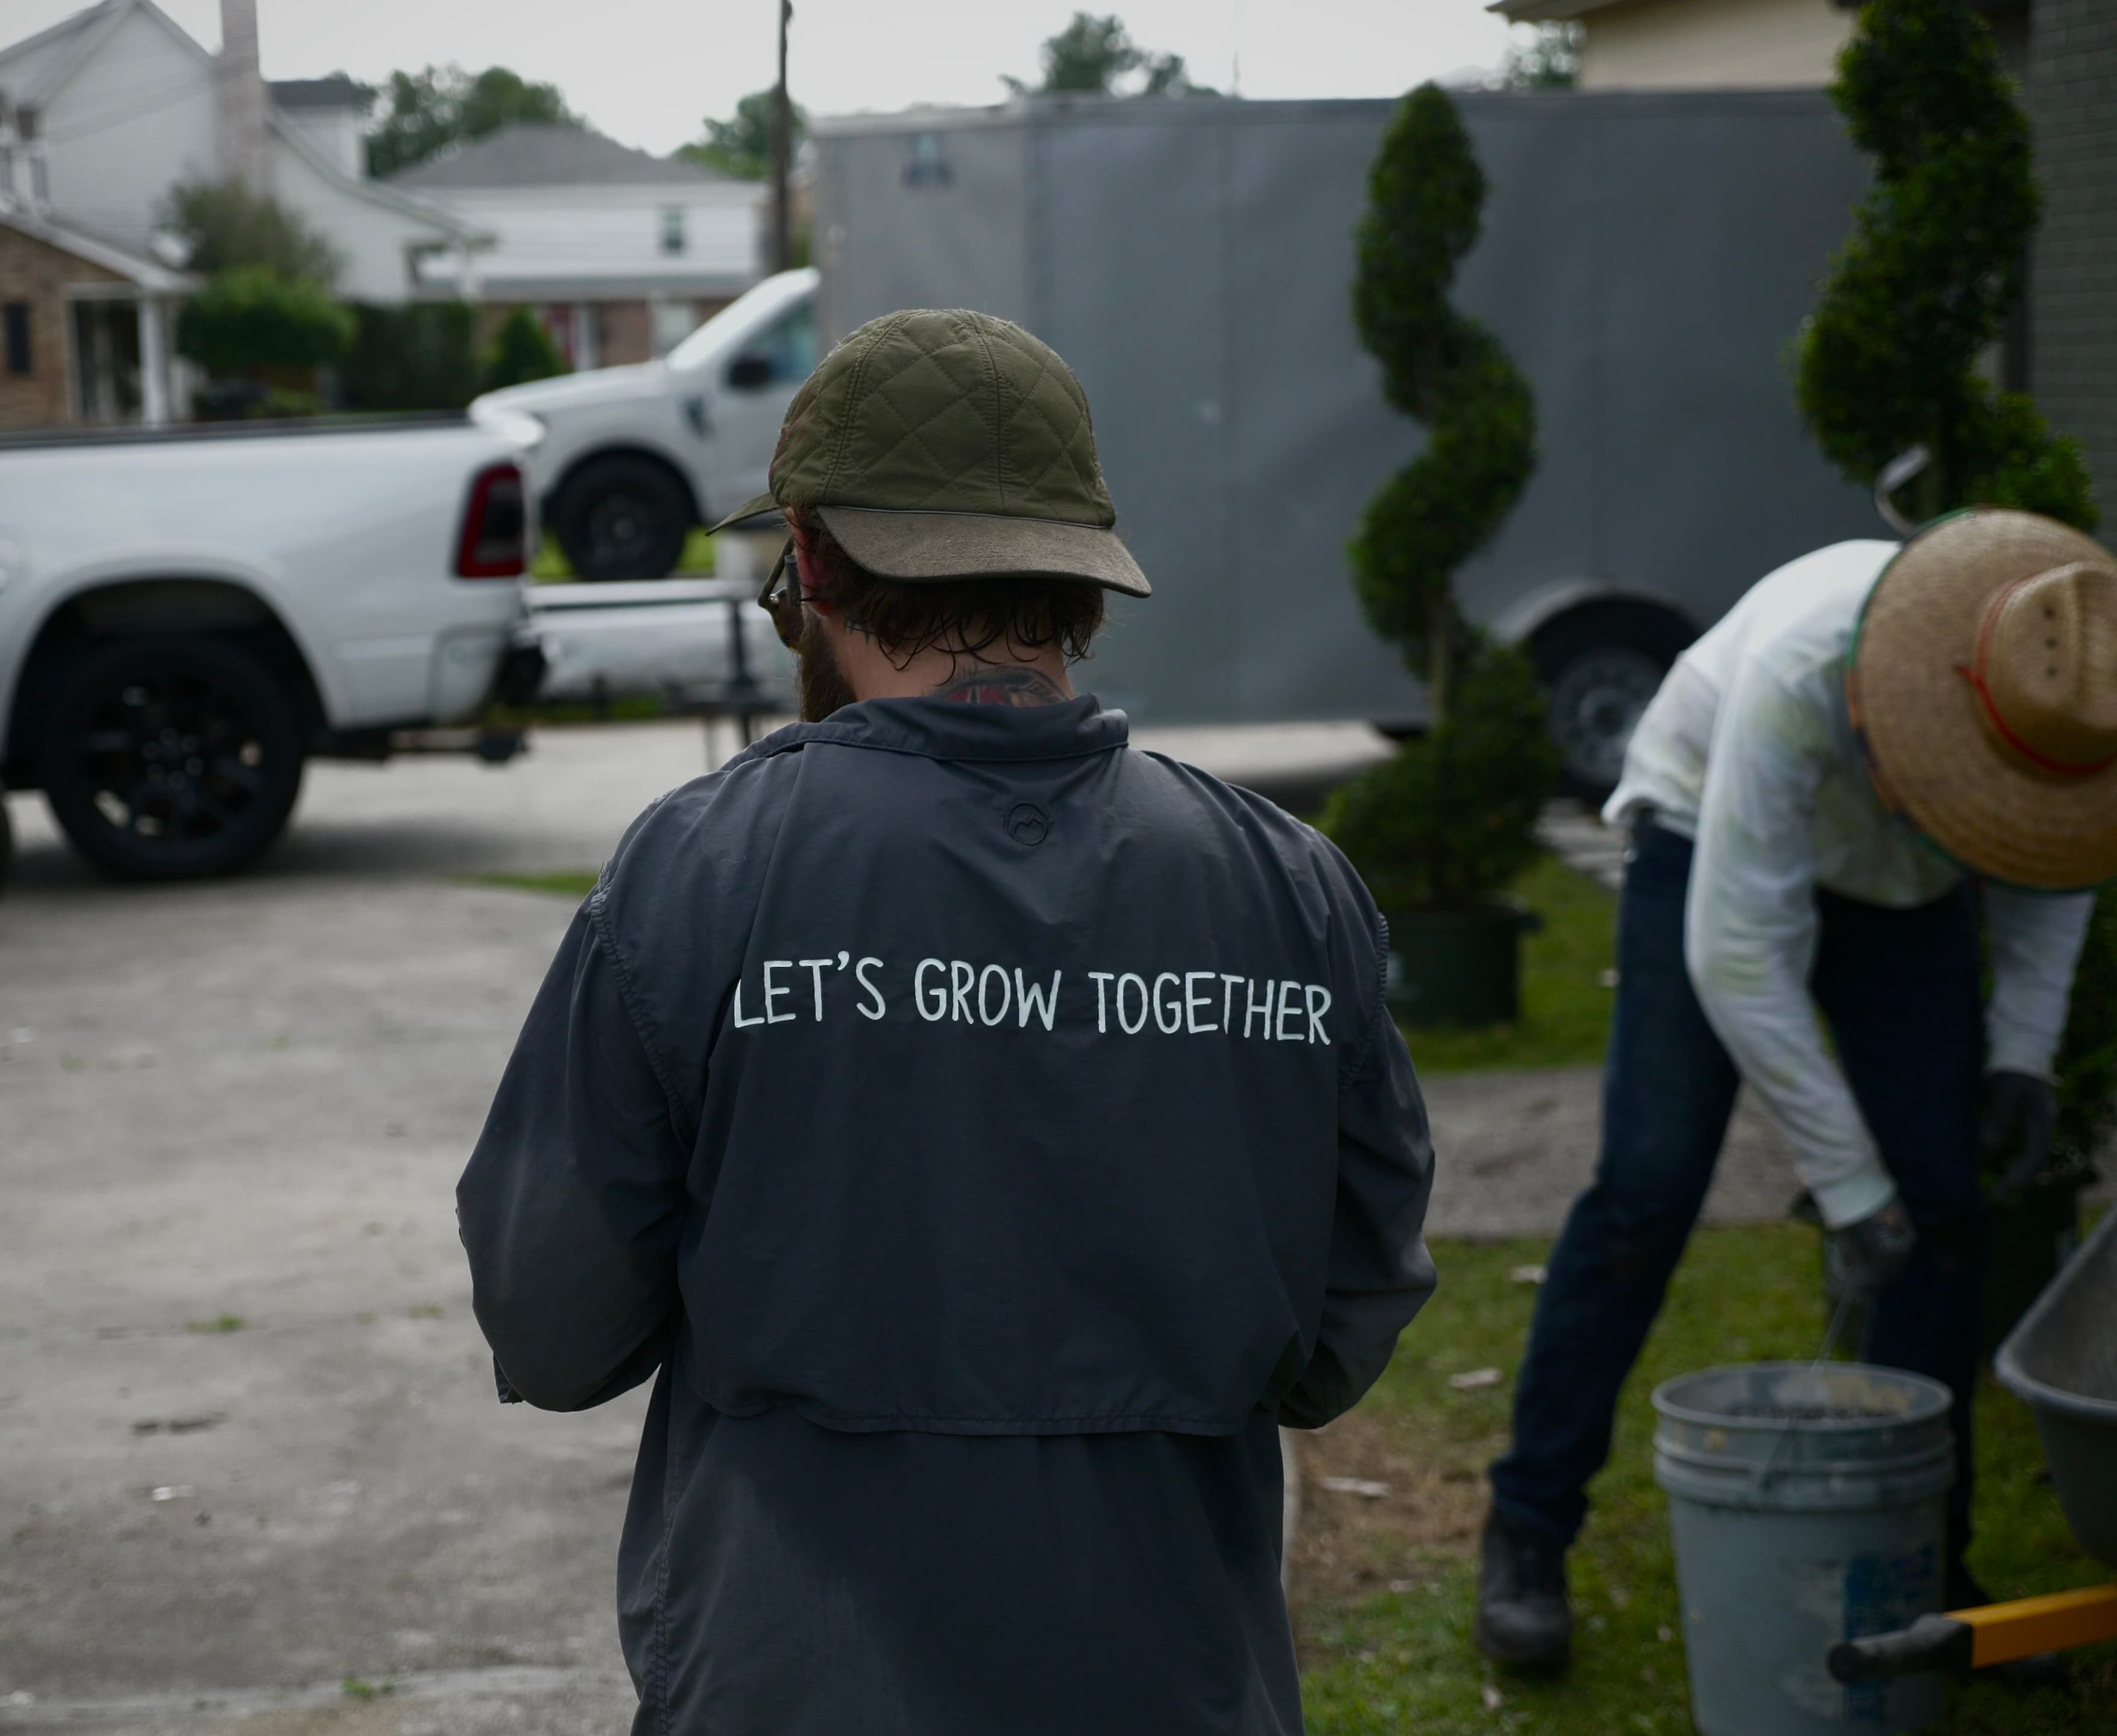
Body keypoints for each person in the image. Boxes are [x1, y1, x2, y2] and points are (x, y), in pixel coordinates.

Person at [457, 307, 1438, 1734]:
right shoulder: (1290, 891)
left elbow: (550, 1320)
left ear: (809, 560)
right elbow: (1341, 1331)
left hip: (795, 1679)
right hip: (1176, 1676)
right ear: (1076, 570)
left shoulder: (699, 872)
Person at [1476, 509, 2117, 1670]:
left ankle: (1925, 1564)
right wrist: (1847, 1185)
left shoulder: (2084, 687)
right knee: (1648, 1191)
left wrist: (2022, 1050)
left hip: (1909, 882)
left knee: (1946, 1210)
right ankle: (1527, 1528)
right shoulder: (1801, 666)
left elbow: (2057, 855)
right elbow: (1740, 957)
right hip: (1703, 829)